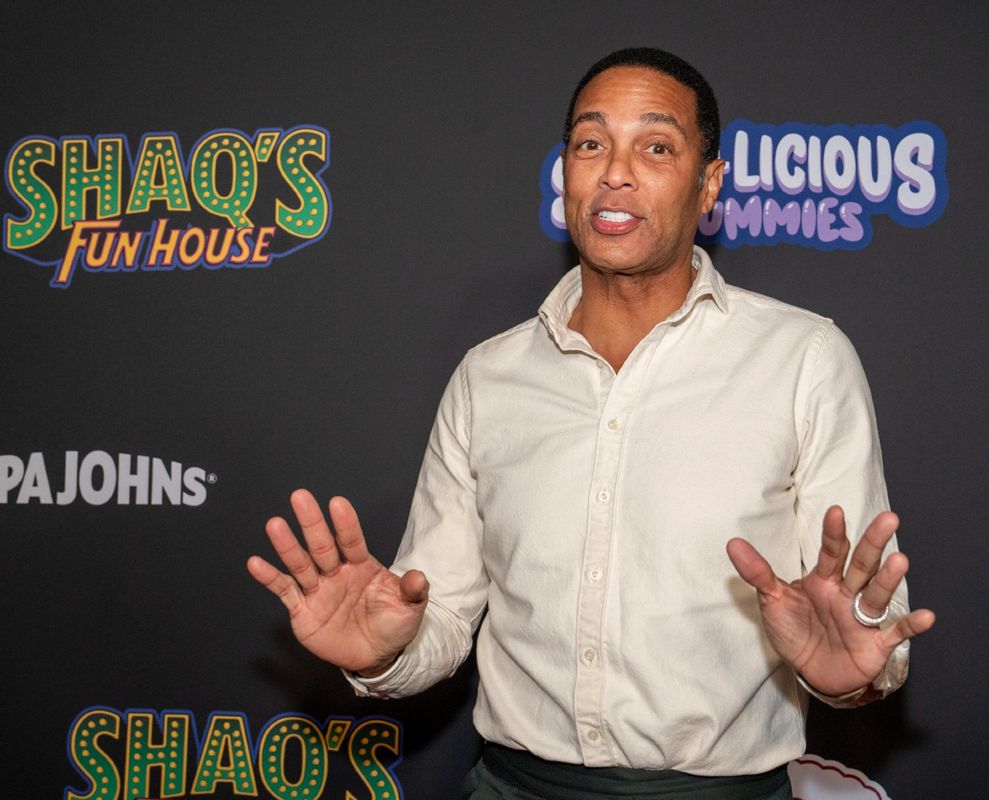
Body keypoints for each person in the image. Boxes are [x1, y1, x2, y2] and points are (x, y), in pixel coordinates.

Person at [248, 47, 935, 799]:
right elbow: (438, 617)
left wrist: (844, 680)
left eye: (657, 146)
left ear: (709, 186)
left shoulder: (804, 359)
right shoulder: (489, 376)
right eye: (590, 142)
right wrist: (382, 654)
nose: (615, 171)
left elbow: (863, 633)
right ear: (565, 172)